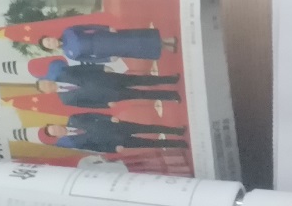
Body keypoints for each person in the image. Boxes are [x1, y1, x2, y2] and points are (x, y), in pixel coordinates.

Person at [0, 17, 177, 62]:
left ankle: (165, 39)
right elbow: (89, 60)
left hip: (104, 37)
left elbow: (88, 26)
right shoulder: (70, 54)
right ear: (51, 49)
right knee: (133, 50)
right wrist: (107, 59)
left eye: (48, 40)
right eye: (48, 45)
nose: (51, 42)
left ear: (51, 37)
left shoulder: (68, 32)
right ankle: (164, 48)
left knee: (133, 38)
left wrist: (106, 28)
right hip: (104, 51)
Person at [36, 59, 183, 108]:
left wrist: (102, 68)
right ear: (47, 92)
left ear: (48, 79)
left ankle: (170, 79)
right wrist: (106, 105)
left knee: (140, 80)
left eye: (45, 82)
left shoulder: (64, 73)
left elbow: (84, 68)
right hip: (110, 96)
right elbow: (88, 105)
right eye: (45, 88)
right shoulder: (65, 100)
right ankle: (171, 96)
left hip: (107, 78)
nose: (48, 85)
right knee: (140, 94)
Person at [38, 116, 188, 153]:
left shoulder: (74, 119)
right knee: (149, 143)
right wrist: (113, 150)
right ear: (57, 137)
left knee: (148, 128)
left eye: (54, 128)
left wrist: (109, 118)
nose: (57, 130)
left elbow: (92, 114)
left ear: (56, 124)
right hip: (115, 142)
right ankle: (178, 144)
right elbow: (95, 148)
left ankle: (176, 131)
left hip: (116, 126)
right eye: (55, 133)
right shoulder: (74, 143)